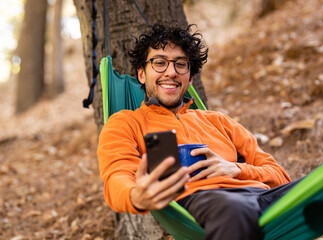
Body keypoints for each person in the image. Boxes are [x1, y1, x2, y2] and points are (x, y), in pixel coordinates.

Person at [97, 23, 297, 240]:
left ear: (190, 78)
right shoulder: (126, 123)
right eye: (159, 63)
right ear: (142, 75)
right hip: (208, 202)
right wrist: (136, 196)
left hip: (265, 197)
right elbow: (117, 176)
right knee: (232, 209)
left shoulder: (218, 121)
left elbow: (280, 176)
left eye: (181, 65)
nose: (171, 72)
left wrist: (236, 169)